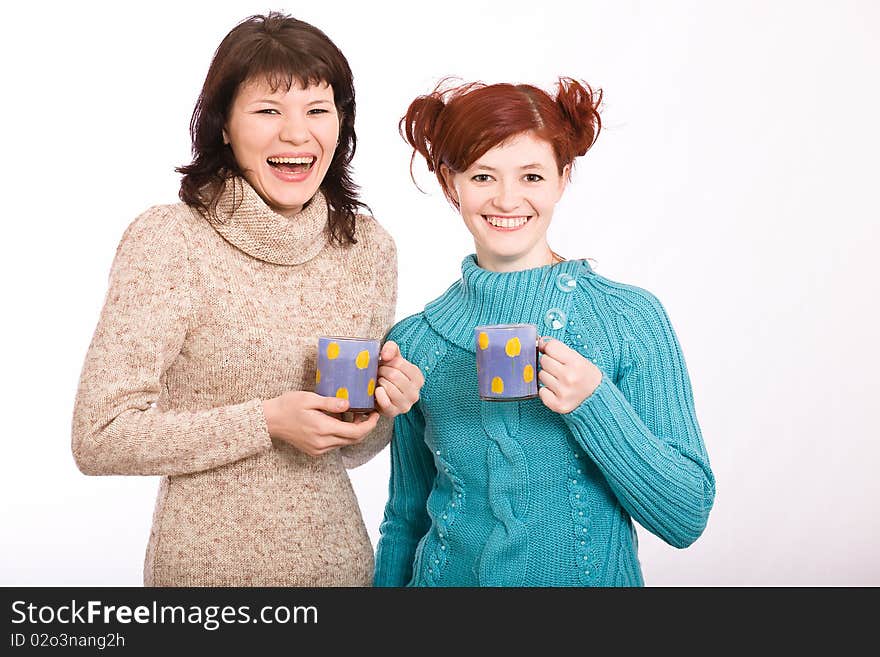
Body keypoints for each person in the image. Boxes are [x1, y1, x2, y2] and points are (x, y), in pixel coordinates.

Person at [71, 12, 423, 587]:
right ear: (224, 127)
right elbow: (99, 436)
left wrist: (382, 410)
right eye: (268, 111)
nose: (296, 133)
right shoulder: (170, 239)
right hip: (209, 577)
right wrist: (266, 422)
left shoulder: (366, 248)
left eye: (317, 111)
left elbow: (351, 450)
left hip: (338, 565)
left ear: (341, 125)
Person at [373, 78, 715, 586]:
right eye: (483, 176)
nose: (508, 200)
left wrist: (593, 402)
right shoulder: (416, 340)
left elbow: (685, 516)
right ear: (451, 184)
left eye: (531, 176)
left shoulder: (629, 319)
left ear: (562, 178)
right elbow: (405, 521)